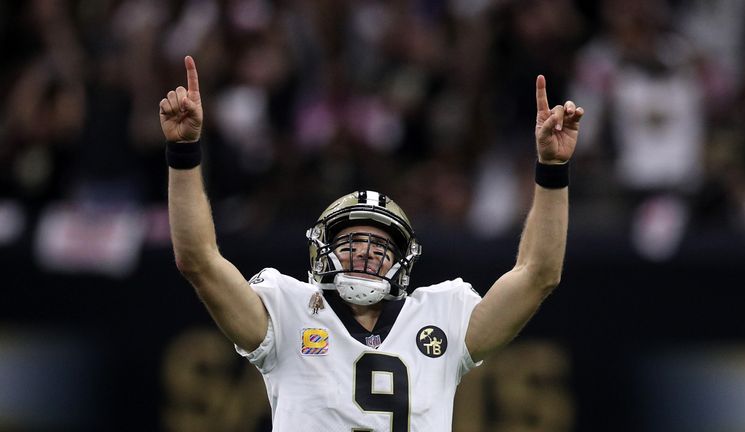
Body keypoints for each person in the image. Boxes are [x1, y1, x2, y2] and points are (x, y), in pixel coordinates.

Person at [160, 55, 583, 431]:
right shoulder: (286, 311)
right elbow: (199, 261)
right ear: (321, 251)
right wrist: (184, 152)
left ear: (402, 261)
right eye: (351, 241)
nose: (365, 251)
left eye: (381, 246)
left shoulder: (444, 316)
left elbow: (538, 275)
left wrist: (552, 169)